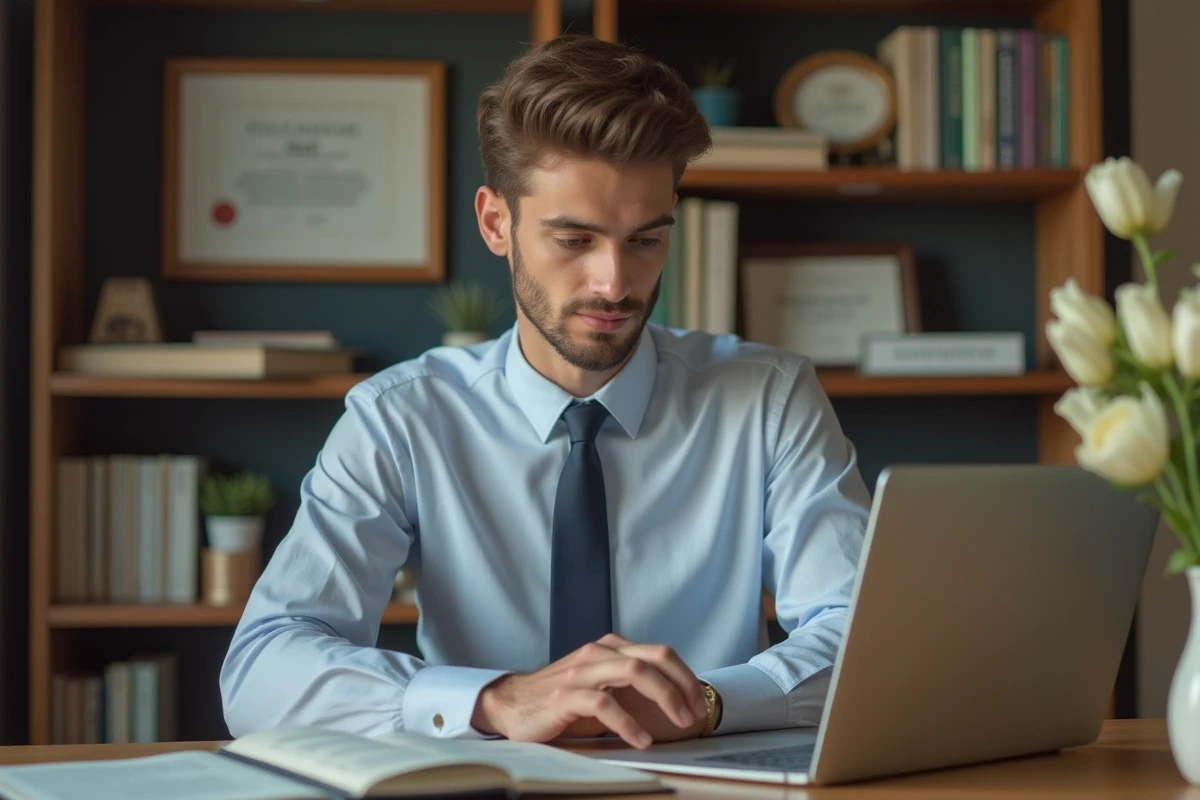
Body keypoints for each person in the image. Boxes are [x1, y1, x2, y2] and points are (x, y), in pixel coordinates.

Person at [219, 33, 872, 752]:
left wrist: (706, 703)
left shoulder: (770, 398)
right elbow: (260, 670)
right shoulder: (400, 419)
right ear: (497, 223)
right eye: (574, 241)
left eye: (646, 240)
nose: (615, 283)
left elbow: (861, 634)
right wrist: (495, 701)